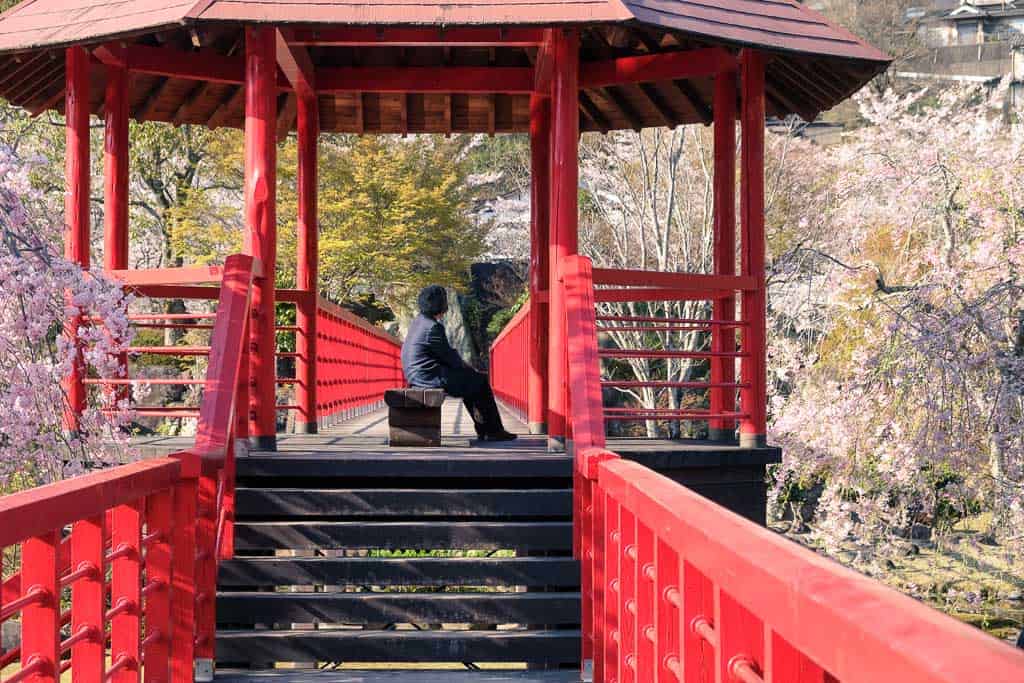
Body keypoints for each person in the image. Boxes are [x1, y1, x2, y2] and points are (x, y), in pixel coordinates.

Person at [401, 285, 516, 442]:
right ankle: (493, 430)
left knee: (470, 381)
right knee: (479, 381)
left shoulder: (419, 322)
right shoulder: (433, 327)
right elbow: (449, 357)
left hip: (417, 374)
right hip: (428, 376)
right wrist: (467, 367)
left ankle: (485, 428)